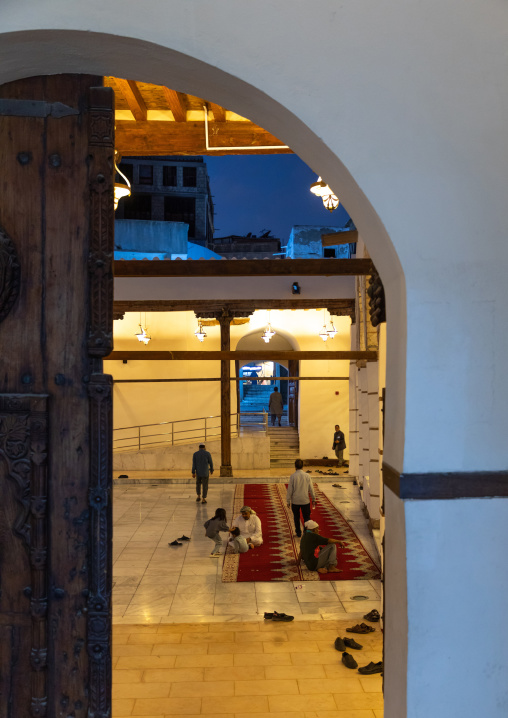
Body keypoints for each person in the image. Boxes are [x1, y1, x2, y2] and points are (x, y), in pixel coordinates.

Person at [287, 459, 316, 537]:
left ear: (295, 466)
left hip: (295, 501)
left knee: (296, 517)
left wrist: (288, 501)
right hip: (305, 500)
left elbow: (290, 490)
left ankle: (298, 533)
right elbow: (311, 488)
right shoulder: (307, 476)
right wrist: (313, 499)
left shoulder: (293, 476)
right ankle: (306, 533)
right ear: (303, 466)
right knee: (306, 517)